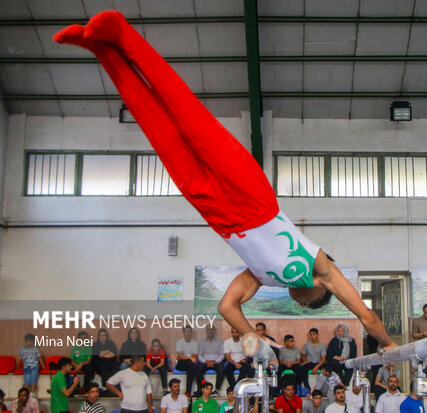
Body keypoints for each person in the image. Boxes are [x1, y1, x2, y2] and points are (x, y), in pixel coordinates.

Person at [53, 11, 397, 354]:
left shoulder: (263, 277)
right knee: (187, 115)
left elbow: (226, 307)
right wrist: (387, 343)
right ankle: (124, 35)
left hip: (221, 217)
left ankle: (102, 50)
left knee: (159, 130)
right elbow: (367, 318)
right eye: (308, 305)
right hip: (255, 200)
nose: (301, 305)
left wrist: (255, 338)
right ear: (317, 297)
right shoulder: (323, 270)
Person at [175, 325, 202, 396]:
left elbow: (194, 356)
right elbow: (181, 356)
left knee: (190, 368)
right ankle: (200, 388)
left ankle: (188, 392)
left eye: (189, 331)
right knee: (193, 365)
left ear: (191, 332)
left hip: (190, 365)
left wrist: (183, 357)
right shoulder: (179, 343)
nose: (188, 333)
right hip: (180, 364)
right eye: (186, 331)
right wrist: (189, 357)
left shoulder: (195, 343)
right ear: (183, 332)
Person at [198, 326, 225, 395]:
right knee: (197, 369)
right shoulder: (201, 342)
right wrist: (205, 361)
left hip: (216, 362)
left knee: (221, 369)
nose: (210, 331)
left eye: (212, 330)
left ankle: (217, 390)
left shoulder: (219, 342)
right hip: (205, 362)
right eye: (208, 330)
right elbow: (199, 355)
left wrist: (215, 361)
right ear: (206, 331)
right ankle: (203, 386)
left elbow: (222, 355)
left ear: (214, 331)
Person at [92, 328, 119, 392]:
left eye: (104, 335)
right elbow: (99, 355)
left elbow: (113, 354)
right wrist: (107, 351)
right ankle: (105, 388)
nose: (103, 337)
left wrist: (104, 353)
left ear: (106, 336)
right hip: (99, 363)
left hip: (110, 362)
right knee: (103, 367)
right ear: (98, 337)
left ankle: (114, 388)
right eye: (101, 335)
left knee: (116, 367)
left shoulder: (111, 343)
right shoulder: (95, 344)